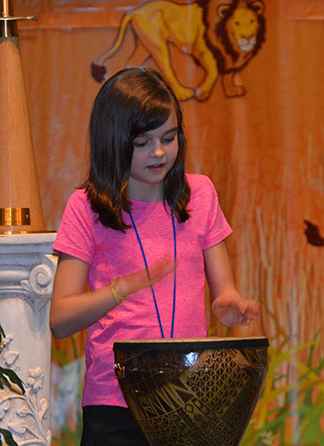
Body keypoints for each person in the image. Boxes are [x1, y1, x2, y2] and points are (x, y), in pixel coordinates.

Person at [50, 67, 259, 446]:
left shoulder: (201, 194)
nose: (160, 152)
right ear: (113, 141)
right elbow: (61, 320)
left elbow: (223, 290)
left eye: (169, 136)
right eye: (143, 142)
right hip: (115, 402)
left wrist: (228, 303)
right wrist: (122, 288)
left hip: (193, 396)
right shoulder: (86, 207)